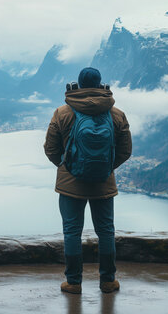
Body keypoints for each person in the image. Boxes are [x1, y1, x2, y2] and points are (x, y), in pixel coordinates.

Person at [43, 67, 132, 294]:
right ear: (101, 84)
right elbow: (125, 151)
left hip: (70, 185)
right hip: (104, 182)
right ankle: (108, 281)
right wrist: (106, 167)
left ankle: (73, 283)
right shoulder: (116, 114)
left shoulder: (62, 113)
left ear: (78, 85)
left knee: (72, 231)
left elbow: (51, 149)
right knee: (106, 231)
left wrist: (67, 167)